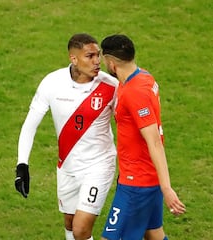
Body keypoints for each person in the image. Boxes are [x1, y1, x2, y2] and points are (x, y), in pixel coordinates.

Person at [15, 33, 119, 240]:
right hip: (67, 166)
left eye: (98, 55)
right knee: (70, 223)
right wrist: (22, 165)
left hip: (99, 165)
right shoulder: (52, 83)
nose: (97, 61)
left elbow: (128, 127)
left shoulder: (111, 86)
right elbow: (30, 125)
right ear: (73, 58)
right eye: (90, 56)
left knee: (81, 229)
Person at [99, 34, 186, 240]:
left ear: (111, 63)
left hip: (137, 183)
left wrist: (167, 188)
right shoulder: (142, 77)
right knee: (153, 233)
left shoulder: (134, 93)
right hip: (145, 177)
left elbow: (154, 141)